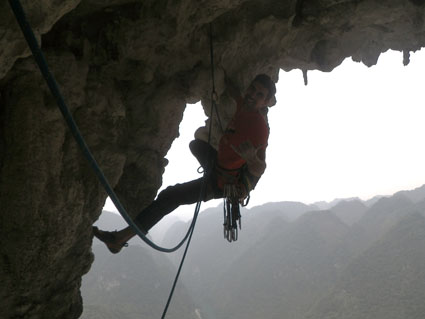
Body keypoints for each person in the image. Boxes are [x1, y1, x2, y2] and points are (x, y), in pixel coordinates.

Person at [93, 74, 276, 253]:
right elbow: (237, 95)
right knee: (196, 145)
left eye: (260, 94)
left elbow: (261, 167)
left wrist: (251, 158)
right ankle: (211, 170)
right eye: (252, 89)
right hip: (219, 166)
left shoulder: (259, 129)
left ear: (267, 102)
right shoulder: (244, 106)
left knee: (171, 195)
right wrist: (223, 77)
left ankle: (119, 239)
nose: (252, 94)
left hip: (223, 183)